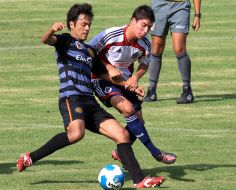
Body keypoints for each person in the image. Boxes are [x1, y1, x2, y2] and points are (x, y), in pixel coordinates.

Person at [16, 3, 165, 188]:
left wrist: (131, 86)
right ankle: (30, 157)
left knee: (122, 135)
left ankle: (139, 180)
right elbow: (45, 40)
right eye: (83, 24)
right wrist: (51, 30)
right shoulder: (65, 41)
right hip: (72, 98)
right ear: (71, 24)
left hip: (90, 102)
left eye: (89, 25)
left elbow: (105, 76)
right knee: (77, 133)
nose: (87, 28)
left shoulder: (90, 51)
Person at [89, 5, 177, 165]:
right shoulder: (111, 35)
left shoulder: (145, 44)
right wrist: (108, 67)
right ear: (132, 21)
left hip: (124, 83)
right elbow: (89, 51)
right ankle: (156, 153)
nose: (145, 30)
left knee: (138, 122)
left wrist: (135, 78)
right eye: (143, 25)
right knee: (128, 109)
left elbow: (145, 63)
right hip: (100, 80)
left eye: (149, 27)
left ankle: (120, 153)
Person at [144, 0, 201, 104]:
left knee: (179, 49)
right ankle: (151, 91)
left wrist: (197, 15)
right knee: (156, 48)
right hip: (159, 6)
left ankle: (187, 91)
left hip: (180, 6)